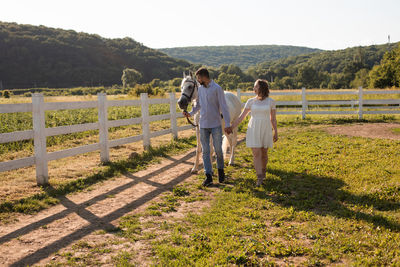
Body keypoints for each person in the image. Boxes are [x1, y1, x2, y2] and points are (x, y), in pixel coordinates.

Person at [183, 67, 232, 186]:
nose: (197, 80)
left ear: (204, 77)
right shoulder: (200, 89)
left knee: (218, 150)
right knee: (205, 151)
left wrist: (228, 123)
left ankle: (220, 171)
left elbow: (224, 107)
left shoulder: (217, 88)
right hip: (203, 124)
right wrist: (190, 113)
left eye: (198, 77)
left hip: (215, 124)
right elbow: (198, 105)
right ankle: (208, 176)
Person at [231, 79, 278, 186]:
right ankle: (259, 177)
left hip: (265, 128)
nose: (253, 88)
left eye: (255, 86)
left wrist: (276, 131)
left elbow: (273, 119)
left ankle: (264, 169)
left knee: (264, 153)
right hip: (254, 128)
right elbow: (241, 117)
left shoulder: (271, 102)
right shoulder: (250, 101)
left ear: (261, 88)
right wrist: (231, 127)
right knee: (256, 153)